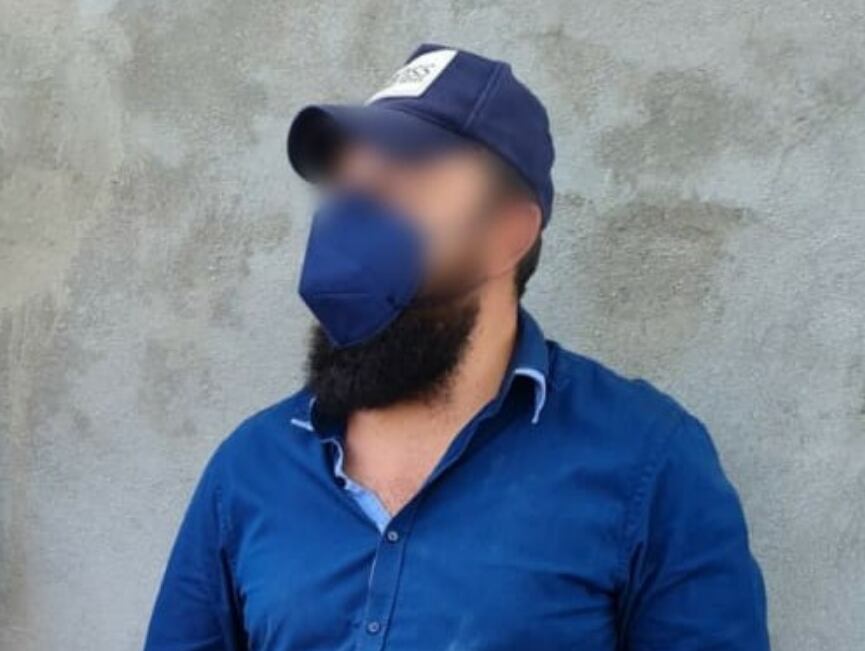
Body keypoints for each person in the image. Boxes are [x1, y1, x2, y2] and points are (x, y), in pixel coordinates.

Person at [144, 43, 770, 651]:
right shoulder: (251, 467)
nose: (353, 211)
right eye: (347, 183)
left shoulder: (646, 461)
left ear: (508, 234)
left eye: (401, 176)